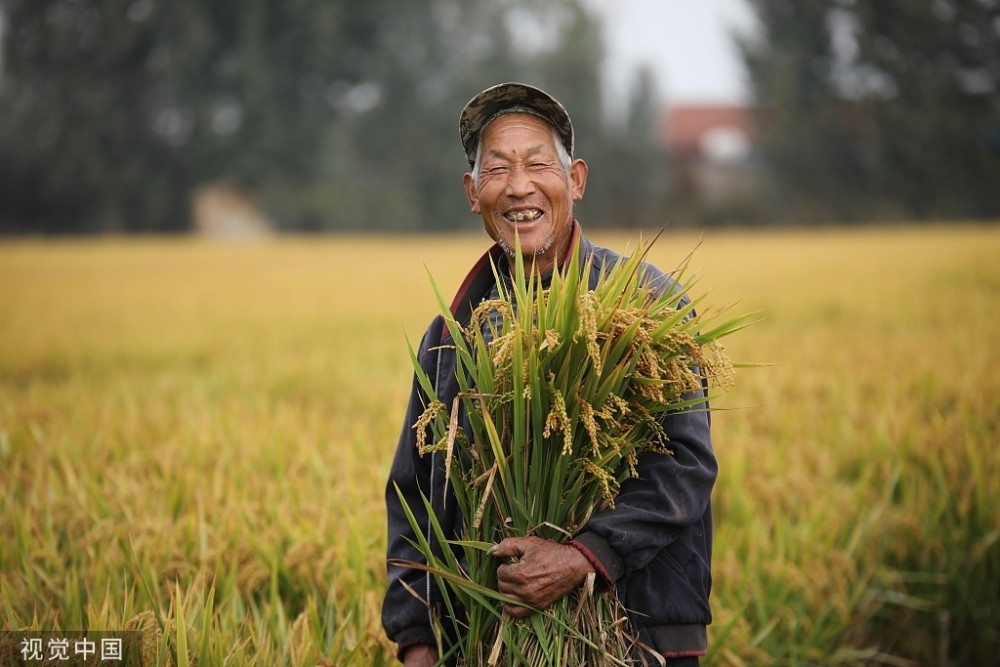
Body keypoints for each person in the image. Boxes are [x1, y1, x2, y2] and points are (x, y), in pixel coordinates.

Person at [382, 82, 716, 667]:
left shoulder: (642, 306)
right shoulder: (451, 335)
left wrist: (581, 558)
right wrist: (417, 639)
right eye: (497, 169)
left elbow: (685, 467)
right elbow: (413, 493)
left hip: (634, 641)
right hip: (484, 643)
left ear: (577, 180)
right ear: (471, 192)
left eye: (538, 163)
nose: (518, 186)